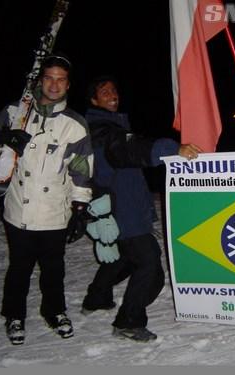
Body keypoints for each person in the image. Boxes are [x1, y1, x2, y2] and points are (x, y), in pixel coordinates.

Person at [0, 55, 94, 345]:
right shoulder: (16, 111)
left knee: (54, 268)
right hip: (19, 209)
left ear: (68, 84)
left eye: (61, 79)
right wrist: (3, 137)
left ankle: (55, 311)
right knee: (19, 267)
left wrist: (79, 207)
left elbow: (81, 170)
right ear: (40, 81)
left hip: (54, 211)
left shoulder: (75, 125)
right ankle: (14, 315)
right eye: (49, 77)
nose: (54, 84)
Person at [80, 76, 201, 342]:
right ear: (93, 100)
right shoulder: (102, 130)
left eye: (114, 89)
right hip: (123, 211)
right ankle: (129, 320)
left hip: (121, 208)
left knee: (124, 257)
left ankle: (96, 298)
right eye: (104, 91)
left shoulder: (109, 125)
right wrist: (171, 149)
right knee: (150, 267)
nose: (112, 94)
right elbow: (129, 148)